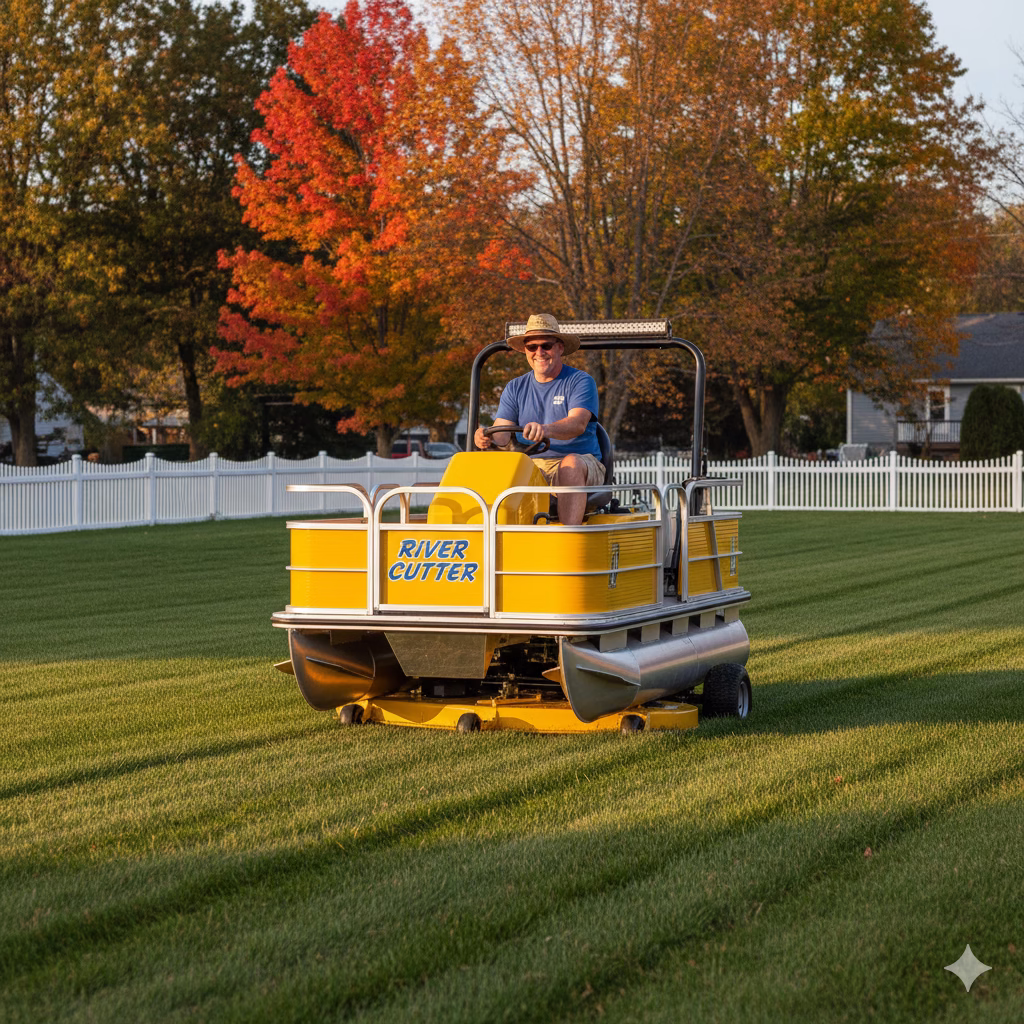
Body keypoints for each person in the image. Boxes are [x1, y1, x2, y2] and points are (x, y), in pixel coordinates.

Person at [474, 313, 604, 525]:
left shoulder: (580, 381)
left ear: (560, 347)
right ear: (525, 350)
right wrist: (485, 436)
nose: (539, 352)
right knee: (487, 471)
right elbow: (502, 433)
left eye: (546, 345)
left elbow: (578, 423)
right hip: (532, 465)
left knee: (569, 465)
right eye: (532, 347)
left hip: (581, 461)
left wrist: (545, 430)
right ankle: (488, 543)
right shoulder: (515, 387)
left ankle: (568, 541)